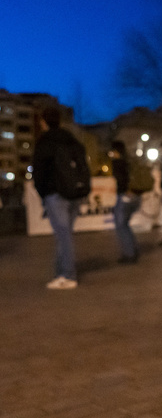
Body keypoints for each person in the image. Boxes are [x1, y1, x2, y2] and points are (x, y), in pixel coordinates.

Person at [32, 106, 86, 289]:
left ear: (44, 122)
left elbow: (38, 174)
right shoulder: (72, 140)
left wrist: (43, 194)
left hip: (55, 194)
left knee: (63, 236)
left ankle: (68, 275)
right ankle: (60, 272)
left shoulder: (44, 142)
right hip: (75, 194)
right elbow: (83, 166)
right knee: (65, 235)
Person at [109, 141, 142, 264]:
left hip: (124, 196)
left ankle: (129, 253)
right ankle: (133, 249)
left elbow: (121, 181)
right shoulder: (130, 162)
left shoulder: (117, 163)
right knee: (125, 224)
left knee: (121, 225)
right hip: (135, 196)